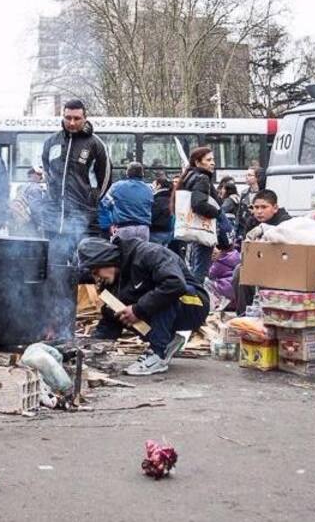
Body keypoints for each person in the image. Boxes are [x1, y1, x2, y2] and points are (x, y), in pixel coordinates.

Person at [77, 236, 210, 376]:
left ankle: (158, 353)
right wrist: (94, 346)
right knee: (116, 306)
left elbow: (175, 284)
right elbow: (110, 317)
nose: (96, 279)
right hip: (176, 306)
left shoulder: (149, 253)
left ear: (105, 259)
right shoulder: (115, 279)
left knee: (165, 291)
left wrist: (137, 310)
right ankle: (169, 341)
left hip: (194, 304)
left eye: (96, 272)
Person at [41, 99, 110, 253]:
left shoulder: (96, 144)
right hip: (54, 220)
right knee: (53, 268)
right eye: (68, 118)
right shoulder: (51, 142)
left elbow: (105, 180)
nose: (71, 123)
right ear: (63, 117)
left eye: (76, 118)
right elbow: (47, 173)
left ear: (85, 118)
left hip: (83, 221)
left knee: (83, 268)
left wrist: (90, 203)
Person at [177, 146, 220, 283]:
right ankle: (197, 300)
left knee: (193, 267)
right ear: (197, 162)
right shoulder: (203, 178)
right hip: (202, 229)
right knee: (200, 272)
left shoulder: (189, 176)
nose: (213, 163)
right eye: (208, 160)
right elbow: (198, 204)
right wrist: (217, 212)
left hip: (191, 227)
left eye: (213, 159)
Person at [103, 162, 153, 242]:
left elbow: (104, 205)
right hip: (144, 229)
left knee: (121, 253)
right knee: (142, 254)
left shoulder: (116, 186)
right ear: (142, 174)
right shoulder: (149, 189)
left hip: (124, 228)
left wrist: (110, 224)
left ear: (127, 173)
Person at [9, 165, 48, 237]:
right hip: (26, 223)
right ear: (33, 175)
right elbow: (35, 209)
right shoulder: (35, 188)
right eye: (39, 174)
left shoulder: (23, 186)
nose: (40, 177)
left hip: (16, 221)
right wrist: (40, 224)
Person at [149, 175, 175, 247]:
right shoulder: (170, 198)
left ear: (159, 185)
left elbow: (153, 215)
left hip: (156, 231)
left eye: (153, 185)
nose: (152, 187)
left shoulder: (158, 199)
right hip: (168, 231)